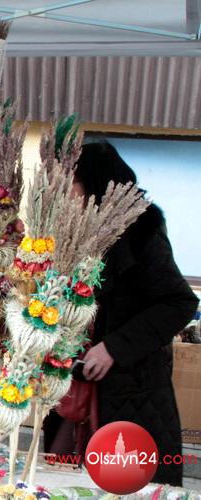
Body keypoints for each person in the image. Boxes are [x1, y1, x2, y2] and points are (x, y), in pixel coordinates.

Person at [71, 141, 199, 486]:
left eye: (73, 183)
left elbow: (179, 302)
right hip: (85, 386)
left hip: (132, 389)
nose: (68, 193)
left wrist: (113, 348)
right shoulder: (85, 230)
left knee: (130, 484)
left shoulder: (141, 232)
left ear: (95, 184)